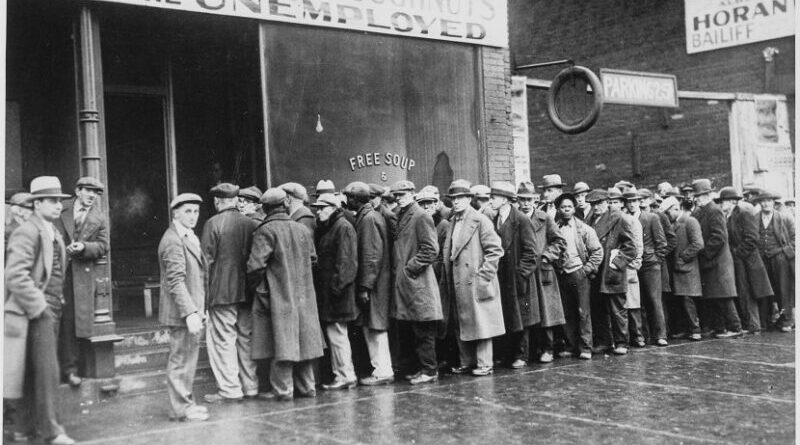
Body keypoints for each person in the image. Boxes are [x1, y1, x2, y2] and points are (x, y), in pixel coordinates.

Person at [5, 176, 76, 444]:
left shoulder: (50, 230)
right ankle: (51, 430)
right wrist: (40, 307)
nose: (59, 206)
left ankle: (24, 427)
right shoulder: (29, 231)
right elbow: (14, 275)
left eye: (60, 201)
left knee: (33, 370)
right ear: (37, 204)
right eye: (52, 201)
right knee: (47, 370)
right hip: (35, 312)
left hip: (51, 308)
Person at [247, 188, 325, 400]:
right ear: (285, 205)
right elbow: (313, 260)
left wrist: (260, 289)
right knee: (304, 342)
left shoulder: (266, 230)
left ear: (265, 208)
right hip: (304, 296)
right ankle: (308, 387)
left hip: (278, 296)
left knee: (281, 342)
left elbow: (255, 268)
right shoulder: (301, 229)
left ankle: (283, 390)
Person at [200, 183, 259, 403]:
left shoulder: (212, 224)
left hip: (222, 292)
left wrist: (203, 300)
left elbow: (205, 263)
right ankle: (251, 386)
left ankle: (230, 389)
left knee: (224, 340)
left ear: (217, 201)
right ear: (235, 200)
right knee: (245, 339)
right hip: (247, 292)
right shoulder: (250, 223)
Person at [442, 180, 505, 376]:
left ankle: (485, 364)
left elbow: (495, 250)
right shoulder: (453, 221)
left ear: (469, 199)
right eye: (453, 199)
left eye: (460, 198)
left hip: (475, 279)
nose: (456, 202)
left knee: (482, 323)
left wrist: (483, 276)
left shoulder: (480, 220)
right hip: (457, 278)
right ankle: (466, 361)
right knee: (462, 321)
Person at [158, 193, 209, 422]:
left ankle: (186, 404)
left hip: (191, 310)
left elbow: (197, 277)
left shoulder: (187, 236)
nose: (193, 216)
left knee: (187, 359)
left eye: (196, 211)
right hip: (182, 312)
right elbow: (175, 281)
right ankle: (181, 408)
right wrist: (190, 312)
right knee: (180, 359)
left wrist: (200, 309)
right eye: (187, 211)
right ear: (175, 213)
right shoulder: (173, 240)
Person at [54, 176, 109, 388]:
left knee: (73, 322)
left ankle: (72, 370)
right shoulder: (61, 207)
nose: (92, 196)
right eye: (88, 191)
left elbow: (103, 246)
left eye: (95, 193)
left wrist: (84, 247)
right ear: (78, 191)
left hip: (81, 276)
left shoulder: (99, 217)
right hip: (57, 271)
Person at [389, 180, 442, 385]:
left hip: (418, 282)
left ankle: (429, 370)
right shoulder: (403, 215)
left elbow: (431, 249)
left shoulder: (420, 216)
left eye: (402, 194)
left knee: (423, 329)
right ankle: (423, 368)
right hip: (409, 283)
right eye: (396, 195)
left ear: (412, 193)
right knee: (414, 329)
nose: (399, 198)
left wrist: (410, 267)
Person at [311, 193, 359, 390]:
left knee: (338, 336)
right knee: (336, 336)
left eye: (322, 208)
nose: (318, 211)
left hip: (337, 295)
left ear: (332, 208)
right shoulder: (335, 226)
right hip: (334, 294)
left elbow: (347, 263)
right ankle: (343, 374)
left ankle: (345, 375)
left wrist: (336, 288)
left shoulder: (342, 227)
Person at [348, 183, 394, 386]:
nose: (346, 200)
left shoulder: (368, 219)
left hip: (373, 283)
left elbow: (371, 256)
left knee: (375, 327)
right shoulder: (370, 216)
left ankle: (383, 370)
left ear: (355, 199)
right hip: (375, 281)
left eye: (348, 197)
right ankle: (381, 369)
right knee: (372, 326)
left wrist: (365, 287)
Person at [489, 181, 538, 367]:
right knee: (508, 316)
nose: (491, 201)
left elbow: (532, 253)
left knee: (521, 318)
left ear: (504, 200)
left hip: (516, 278)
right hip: (502, 277)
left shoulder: (521, 220)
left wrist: (520, 274)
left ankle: (521, 355)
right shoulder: (495, 219)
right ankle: (508, 354)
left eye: (494, 197)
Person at [717, 187, 773, 335]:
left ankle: (753, 325)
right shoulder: (729, 216)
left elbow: (752, 238)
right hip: (739, 261)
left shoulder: (743, 213)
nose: (721, 204)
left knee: (748, 293)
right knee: (743, 292)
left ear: (731, 201)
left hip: (747, 261)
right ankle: (750, 325)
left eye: (723, 201)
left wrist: (737, 253)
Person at [691, 179, 743, 338]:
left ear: (707, 195)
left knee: (724, 296)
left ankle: (735, 327)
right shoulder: (700, 212)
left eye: (700, 195)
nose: (697, 198)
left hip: (718, 261)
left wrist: (704, 253)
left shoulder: (714, 210)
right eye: (697, 195)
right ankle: (720, 328)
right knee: (714, 296)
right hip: (711, 261)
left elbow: (719, 237)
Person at [587, 188, 636, 355]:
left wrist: (616, 262)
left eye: (599, 203)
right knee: (598, 309)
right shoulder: (589, 220)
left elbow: (631, 249)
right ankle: (604, 342)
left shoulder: (619, 219)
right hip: (596, 272)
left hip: (612, 272)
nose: (596, 207)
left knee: (617, 310)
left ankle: (622, 342)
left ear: (607, 202)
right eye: (593, 204)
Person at [554, 193, 603, 360]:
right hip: (562, 274)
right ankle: (570, 345)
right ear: (558, 210)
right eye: (562, 207)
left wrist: (586, 270)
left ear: (574, 209)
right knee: (567, 312)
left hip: (579, 274)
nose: (566, 210)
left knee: (583, 312)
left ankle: (585, 347)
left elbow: (597, 252)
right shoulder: (555, 228)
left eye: (569, 207)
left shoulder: (584, 229)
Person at [416, 187, 458, 371]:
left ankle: (446, 359)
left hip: (439, 278)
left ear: (436, 204)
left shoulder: (443, 226)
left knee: (443, 321)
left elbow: (442, 255)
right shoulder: (422, 223)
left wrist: (428, 267)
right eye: (423, 203)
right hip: (427, 278)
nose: (427, 207)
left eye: (430, 203)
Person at [624, 188, 668, 346]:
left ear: (639, 202)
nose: (632, 205)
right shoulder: (625, 220)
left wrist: (655, 259)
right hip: (635, 266)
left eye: (634, 201)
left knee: (654, 300)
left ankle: (661, 335)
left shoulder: (651, 218)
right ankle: (645, 335)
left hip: (650, 264)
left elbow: (662, 243)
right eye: (629, 202)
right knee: (638, 301)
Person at [529, 184, 566, 363]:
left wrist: (546, 256)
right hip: (526, 271)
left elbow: (559, 241)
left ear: (535, 201)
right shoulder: (518, 219)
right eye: (521, 200)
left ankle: (548, 348)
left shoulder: (544, 219)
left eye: (529, 200)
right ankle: (533, 348)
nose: (525, 204)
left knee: (546, 312)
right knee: (531, 311)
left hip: (543, 271)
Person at [662, 198, 704, 340]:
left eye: (668, 213)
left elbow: (698, 244)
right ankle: (685, 329)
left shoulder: (690, 221)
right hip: (678, 269)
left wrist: (682, 258)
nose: (667, 216)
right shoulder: (675, 223)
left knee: (688, 300)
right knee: (680, 300)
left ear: (676, 209)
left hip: (687, 269)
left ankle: (695, 329)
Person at [754, 190, 795, 332]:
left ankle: (787, 320)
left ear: (773, 203)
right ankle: (766, 321)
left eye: (768, 201)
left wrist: (784, 253)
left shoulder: (784, 218)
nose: (765, 203)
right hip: (762, 259)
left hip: (780, 259)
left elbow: (796, 238)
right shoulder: (755, 218)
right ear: (759, 203)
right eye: (763, 201)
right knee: (765, 290)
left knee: (783, 289)